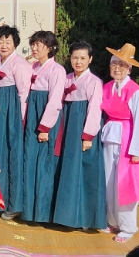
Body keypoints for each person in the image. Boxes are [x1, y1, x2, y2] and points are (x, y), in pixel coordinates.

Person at [100, 44, 139, 243]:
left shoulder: (135, 91)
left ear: (129, 69)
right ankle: (112, 220)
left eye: (122, 65)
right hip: (110, 136)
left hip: (128, 138)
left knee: (125, 183)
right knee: (108, 179)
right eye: (114, 64)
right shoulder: (107, 87)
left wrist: (136, 150)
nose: (117, 68)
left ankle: (128, 226)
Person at [52, 41, 106, 230]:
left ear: (90, 59)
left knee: (82, 171)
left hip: (81, 126)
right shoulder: (66, 78)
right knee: (66, 168)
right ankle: (64, 216)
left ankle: (83, 218)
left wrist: (88, 136)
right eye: (75, 57)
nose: (78, 62)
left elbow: (95, 110)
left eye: (83, 58)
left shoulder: (94, 82)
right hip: (66, 124)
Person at [0, 26, 31, 219]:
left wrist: (21, 119)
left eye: (8, 41)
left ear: (15, 44)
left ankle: (13, 203)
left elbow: (23, 93)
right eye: (0, 41)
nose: (3, 45)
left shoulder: (20, 64)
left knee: (12, 154)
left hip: (11, 111)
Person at [18, 30, 66, 223]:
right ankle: (28, 210)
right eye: (33, 44)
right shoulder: (33, 67)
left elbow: (55, 100)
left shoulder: (57, 70)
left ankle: (42, 213)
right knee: (29, 160)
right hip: (31, 116)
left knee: (44, 164)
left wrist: (45, 128)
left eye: (39, 44)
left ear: (50, 47)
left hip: (45, 119)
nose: (35, 48)